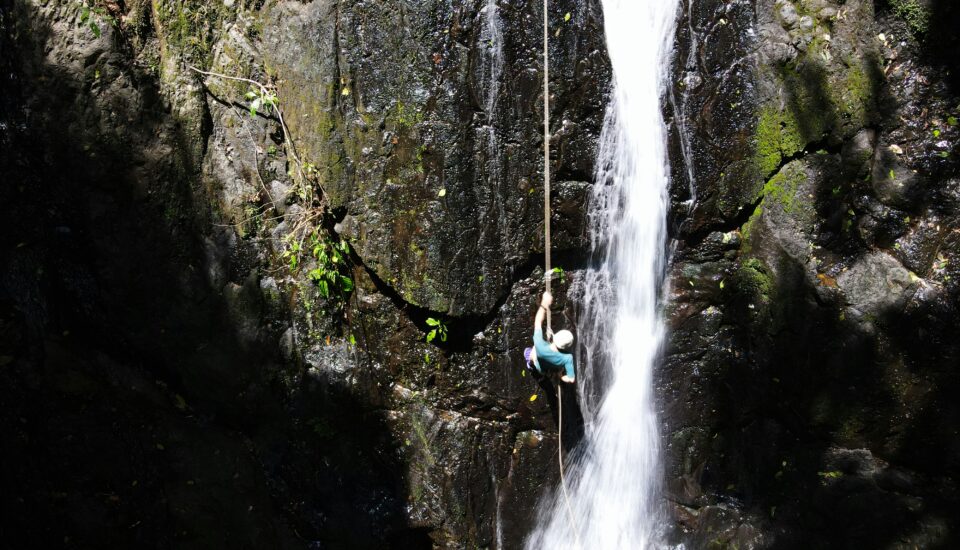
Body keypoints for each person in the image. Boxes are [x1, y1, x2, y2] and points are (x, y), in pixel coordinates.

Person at [523, 291, 575, 383]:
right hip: (551, 368)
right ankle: (548, 372)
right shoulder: (567, 358)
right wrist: (561, 377)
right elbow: (571, 379)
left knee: (530, 351)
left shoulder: (540, 345)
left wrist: (544, 304)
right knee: (556, 367)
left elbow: (538, 322)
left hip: (540, 366)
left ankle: (530, 364)